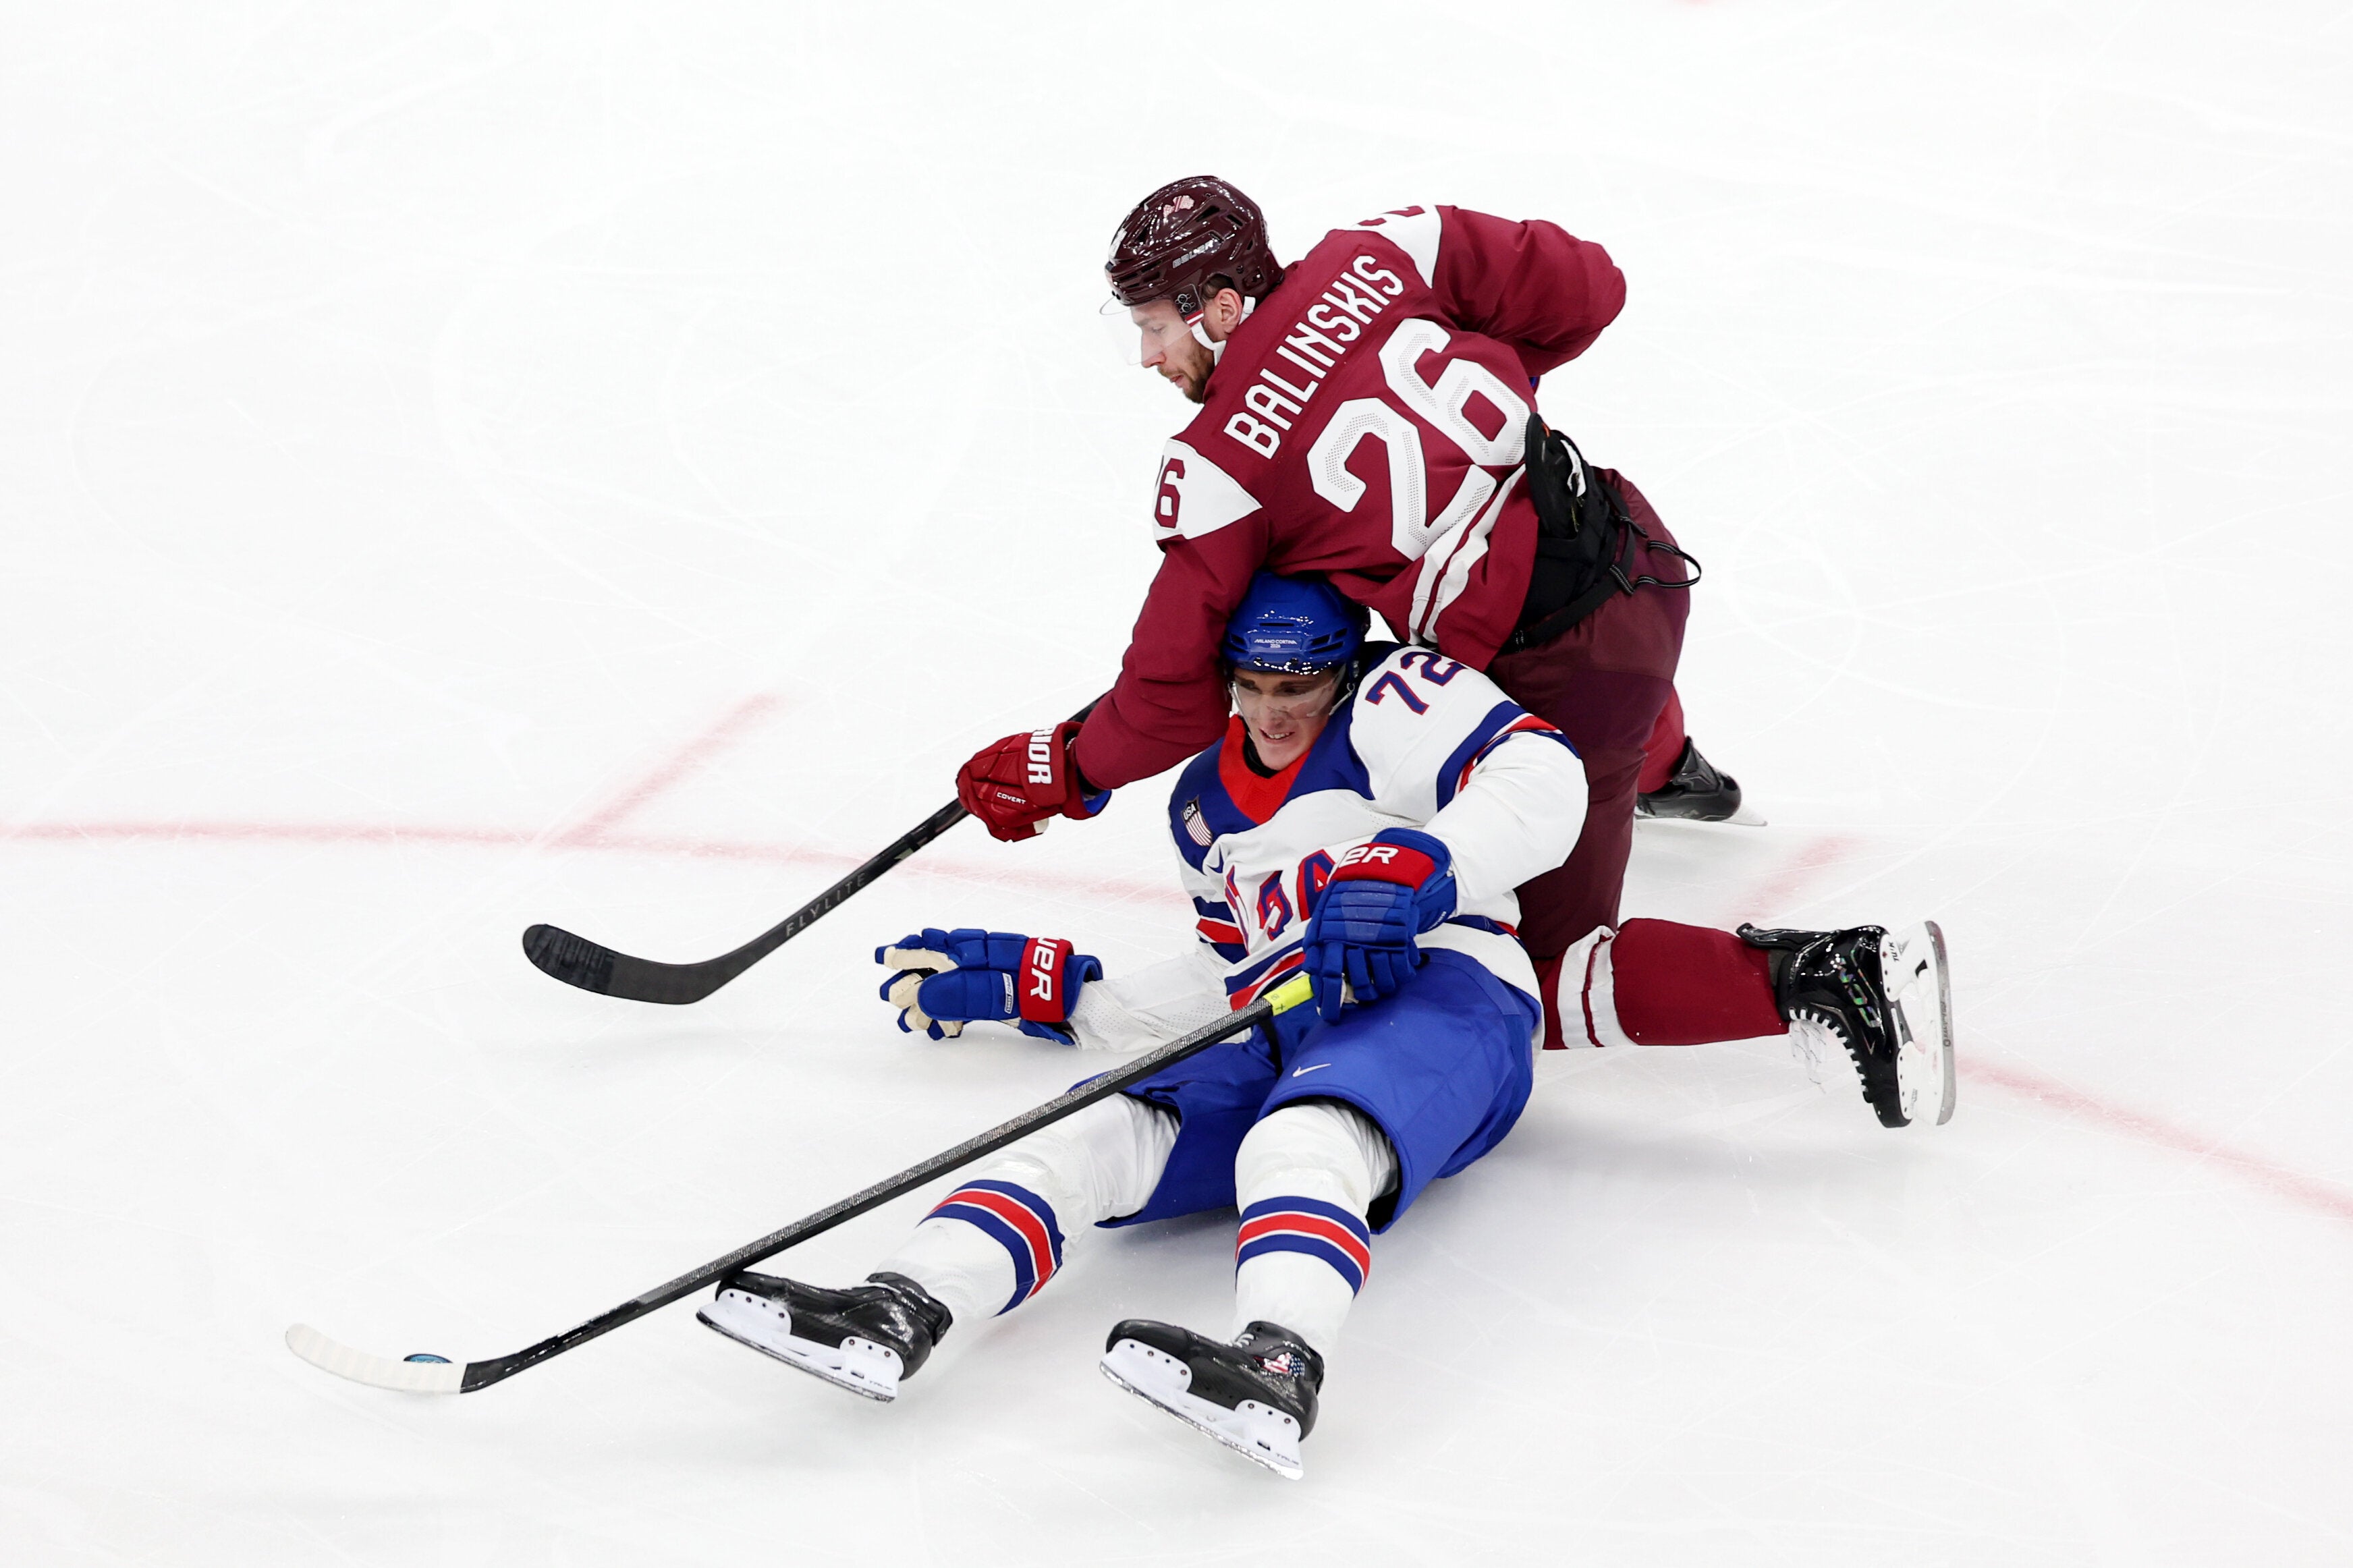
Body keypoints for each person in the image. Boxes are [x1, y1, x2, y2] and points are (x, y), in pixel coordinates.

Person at [702, 576, 1955, 1480]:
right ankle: (899, 1309)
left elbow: (1546, 783)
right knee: (1090, 1142)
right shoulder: (1202, 804)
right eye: (1251, 685)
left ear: (1342, 672)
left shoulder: (1402, 698)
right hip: (1282, 1025)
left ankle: (1279, 1367)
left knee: (1302, 1140)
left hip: (1449, 998)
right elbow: (1231, 981)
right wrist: (1062, 988)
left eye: (1297, 685)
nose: (1271, 710)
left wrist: (1421, 863)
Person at [951, 177, 1765, 1053]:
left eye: (1154, 327)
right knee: (1589, 658)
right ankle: (1666, 764)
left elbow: (1171, 702)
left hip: (1570, 674)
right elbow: (1591, 286)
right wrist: (1479, 393)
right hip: (1638, 543)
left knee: (1526, 978)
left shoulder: (1218, 467)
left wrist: (1067, 765)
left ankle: (1829, 982)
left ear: (1222, 308)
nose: (1148, 356)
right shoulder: (1383, 248)